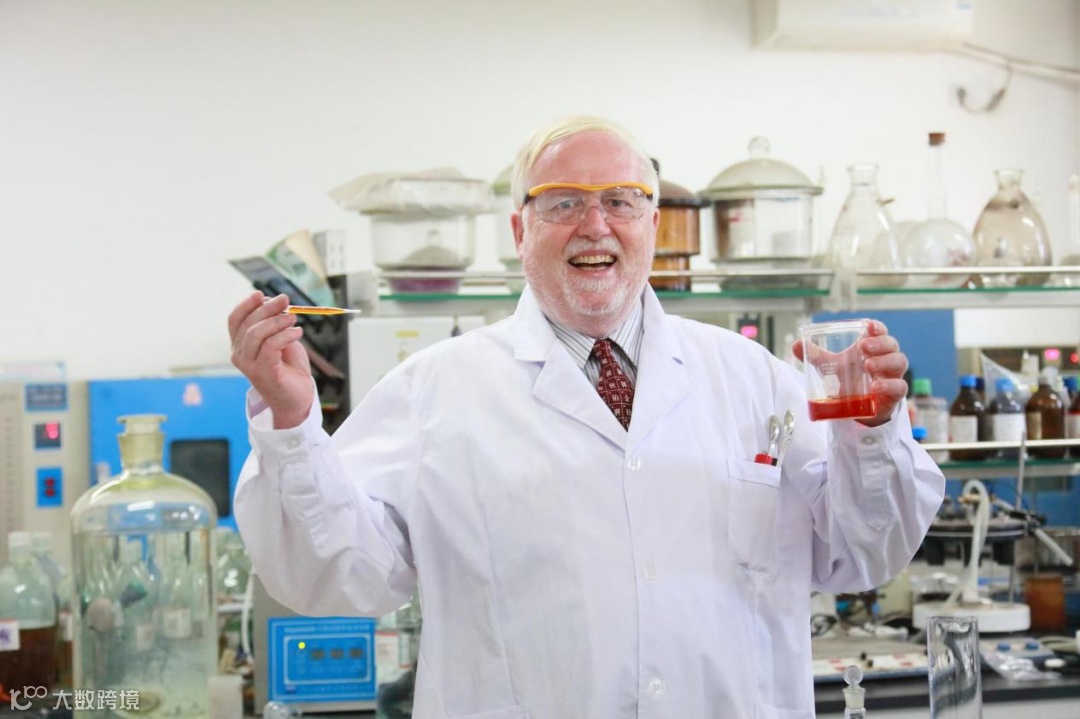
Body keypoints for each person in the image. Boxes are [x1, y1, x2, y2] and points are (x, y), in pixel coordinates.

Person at [228, 115, 946, 718]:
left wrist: (871, 433)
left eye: (622, 202)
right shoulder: (433, 391)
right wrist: (293, 424)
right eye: (563, 202)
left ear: (653, 224)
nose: (595, 225)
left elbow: (863, 553)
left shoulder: (753, 379)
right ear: (520, 230)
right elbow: (333, 575)